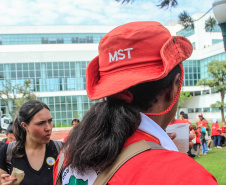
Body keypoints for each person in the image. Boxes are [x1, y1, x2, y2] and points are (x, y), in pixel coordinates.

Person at [53, 21, 217, 184]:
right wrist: (165, 160)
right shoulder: (187, 177)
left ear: (107, 89)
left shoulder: (68, 152)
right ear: (173, 87)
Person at [0, 100, 62, 185]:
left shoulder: (61, 150)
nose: (48, 128)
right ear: (25, 125)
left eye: (50, 121)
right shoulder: (7, 152)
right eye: (41, 123)